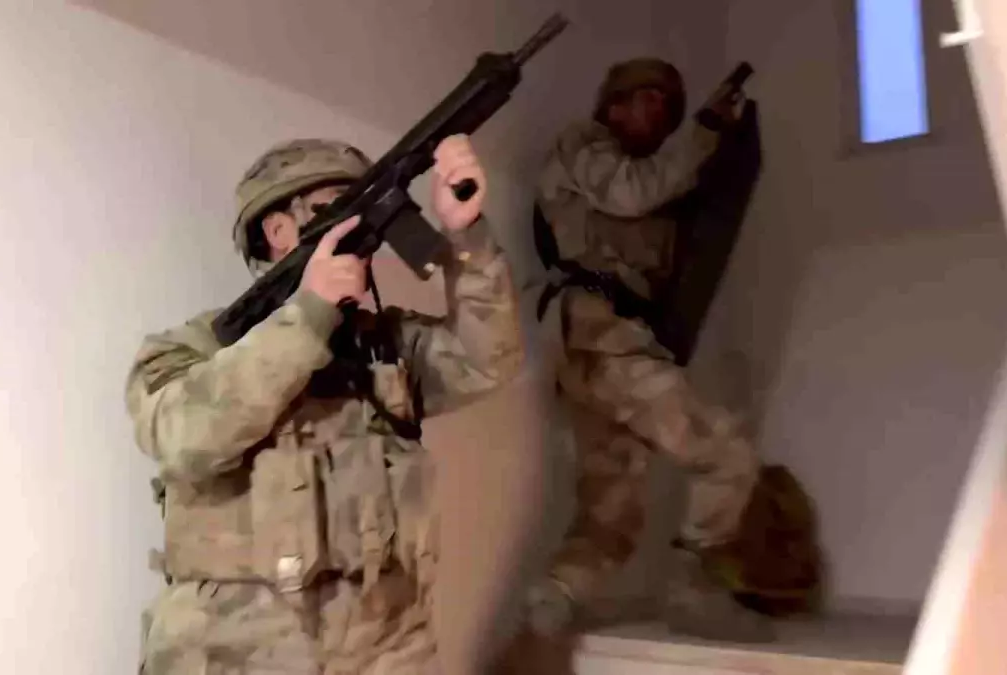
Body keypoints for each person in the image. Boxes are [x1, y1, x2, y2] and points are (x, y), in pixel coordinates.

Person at [126, 135, 524, 674]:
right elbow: (184, 439)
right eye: (336, 211)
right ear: (277, 232)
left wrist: (467, 237)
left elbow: (486, 360)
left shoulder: (380, 343)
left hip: (389, 645)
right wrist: (310, 315)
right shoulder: (194, 349)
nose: (361, 232)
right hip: (236, 654)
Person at [524, 58, 775, 644]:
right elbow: (632, 192)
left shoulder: (662, 184)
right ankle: (692, 591)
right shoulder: (584, 146)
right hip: (601, 337)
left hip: (607, 345)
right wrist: (704, 130)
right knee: (725, 452)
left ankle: (552, 603)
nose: (659, 114)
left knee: (612, 510)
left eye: (669, 107)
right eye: (648, 99)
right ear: (613, 104)